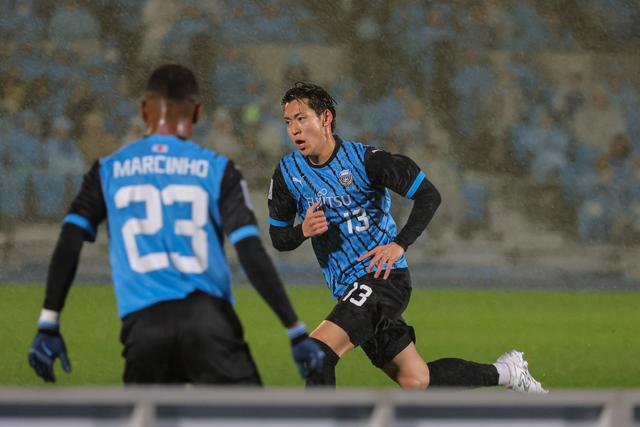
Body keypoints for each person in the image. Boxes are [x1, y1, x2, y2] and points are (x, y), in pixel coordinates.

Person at [27, 64, 323, 384]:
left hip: (144, 328)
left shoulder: (107, 170)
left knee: (146, 410)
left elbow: (70, 238)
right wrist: (294, 329)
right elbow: (250, 249)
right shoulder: (218, 169)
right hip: (209, 323)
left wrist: (49, 321)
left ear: (144, 109)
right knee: (243, 410)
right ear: (196, 112)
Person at [267, 82, 547, 393]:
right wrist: (302, 231)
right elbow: (279, 238)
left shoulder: (365, 161)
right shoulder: (288, 173)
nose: (294, 130)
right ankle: (508, 372)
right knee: (416, 380)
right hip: (349, 290)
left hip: (383, 279)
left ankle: (318, 418)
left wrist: (399, 244)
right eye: (288, 122)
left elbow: (429, 195)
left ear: (326, 118)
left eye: (302, 118)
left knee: (318, 351)